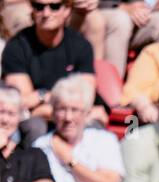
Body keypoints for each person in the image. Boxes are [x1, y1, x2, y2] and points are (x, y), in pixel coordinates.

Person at [35, 74, 123, 182]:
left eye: (75, 110)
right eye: (62, 109)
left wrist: (70, 161)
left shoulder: (104, 140)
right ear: (53, 112)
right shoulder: (41, 147)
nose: (68, 117)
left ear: (87, 113)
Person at [1, 0, 95, 141]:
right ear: (32, 9)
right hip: (37, 120)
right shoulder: (16, 47)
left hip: (69, 115)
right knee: (35, 127)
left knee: (95, 125)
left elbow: (86, 98)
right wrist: (47, 97)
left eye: (54, 6)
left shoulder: (81, 46)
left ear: (67, 10)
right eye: (39, 7)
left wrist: (42, 100)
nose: (46, 13)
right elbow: (22, 103)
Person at [0, 83, 56, 182]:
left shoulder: (33, 155)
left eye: (10, 113)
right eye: (0, 112)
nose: (4, 119)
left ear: (19, 117)